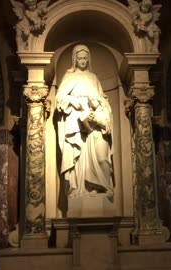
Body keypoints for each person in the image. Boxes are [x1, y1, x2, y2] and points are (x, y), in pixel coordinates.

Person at [56, 44, 114, 198]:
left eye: (85, 58)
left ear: (88, 59)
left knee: (99, 156)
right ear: (75, 59)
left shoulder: (93, 78)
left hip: (93, 124)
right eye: (79, 58)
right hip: (75, 123)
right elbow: (59, 98)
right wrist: (73, 101)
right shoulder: (69, 77)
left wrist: (98, 111)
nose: (82, 61)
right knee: (78, 157)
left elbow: (102, 100)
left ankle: (99, 186)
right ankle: (77, 188)